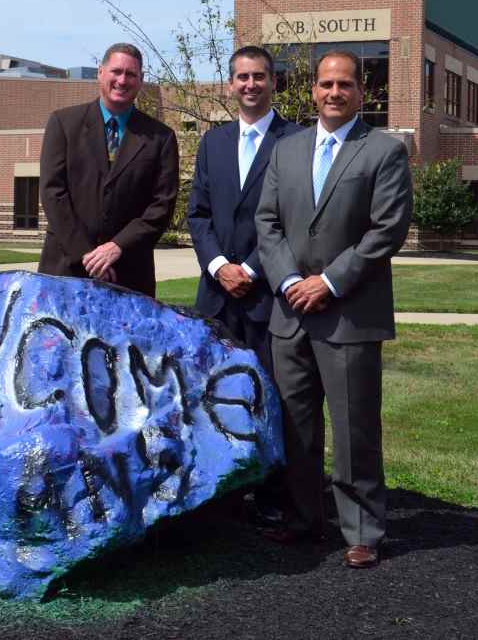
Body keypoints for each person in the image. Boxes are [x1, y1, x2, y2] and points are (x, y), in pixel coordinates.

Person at [255, 51, 412, 568]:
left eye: (345, 84)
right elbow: (268, 222)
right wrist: (290, 281)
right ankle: (304, 519)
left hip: (349, 312)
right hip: (290, 313)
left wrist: (328, 281)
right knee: (297, 426)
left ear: (361, 93)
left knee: (354, 428)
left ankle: (363, 530)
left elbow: (386, 230)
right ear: (313, 91)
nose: (334, 93)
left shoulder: (383, 152)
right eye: (326, 84)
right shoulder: (287, 150)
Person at [187, 45, 302, 523]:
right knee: (213, 394)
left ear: (273, 82)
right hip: (216, 297)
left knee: (270, 395)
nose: (250, 85)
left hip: (266, 295)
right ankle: (220, 494)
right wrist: (218, 266)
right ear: (230, 84)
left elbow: (295, 220)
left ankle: (273, 495)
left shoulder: (296, 140)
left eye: (259, 76)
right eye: (242, 77)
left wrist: (251, 269)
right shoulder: (213, 142)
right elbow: (198, 214)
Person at [38, 43, 178, 296]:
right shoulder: (63, 124)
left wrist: (117, 247)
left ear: (141, 80)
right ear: (100, 73)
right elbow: (53, 194)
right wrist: (89, 257)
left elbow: (162, 206)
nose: (122, 80)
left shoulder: (161, 137)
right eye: (116, 71)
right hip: (66, 272)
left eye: (131, 74)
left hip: (130, 274)